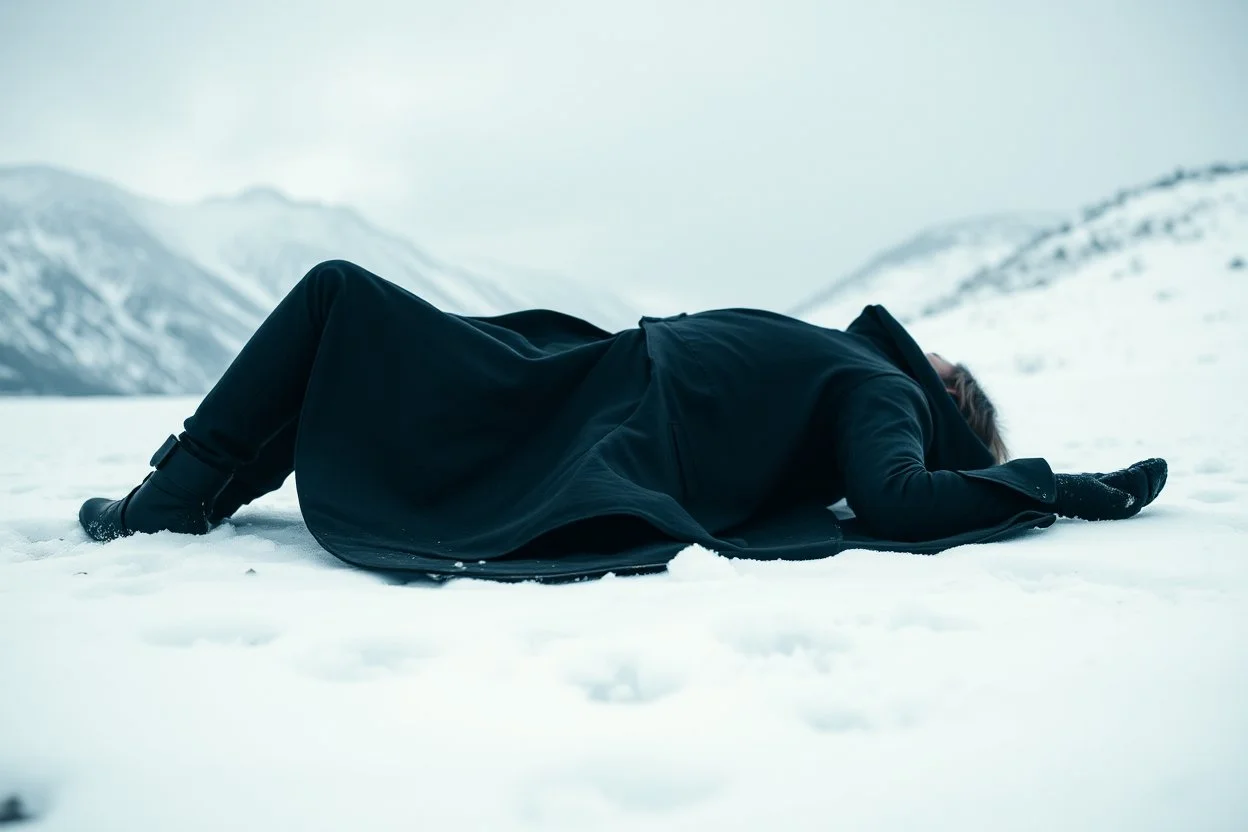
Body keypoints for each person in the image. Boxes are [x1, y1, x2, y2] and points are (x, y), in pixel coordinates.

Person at [79, 260, 1167, 581]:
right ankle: (191, 489)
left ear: (946, 402)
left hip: (601, 418)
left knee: (340, 305)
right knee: (346, 321)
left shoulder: (884, 393)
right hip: (586, 374)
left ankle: (178, 494)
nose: (935, 352)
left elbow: (894, 497)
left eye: (949, 372)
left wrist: (1058, 486)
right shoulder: (863, 362)